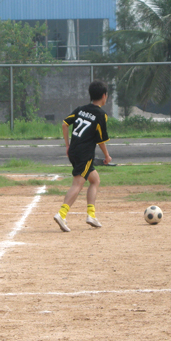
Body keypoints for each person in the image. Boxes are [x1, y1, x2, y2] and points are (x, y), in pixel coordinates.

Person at [53, 80, 112, 232]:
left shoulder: (81, 109)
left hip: (74, 150)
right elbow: (101, 139)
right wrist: (107, 156)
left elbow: (65, 124)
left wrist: (67, 145)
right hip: (84, 153)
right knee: (78, 184)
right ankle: (61, 214)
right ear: (104, 96)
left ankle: (91, 215)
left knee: (95, 180)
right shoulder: (101, 114)